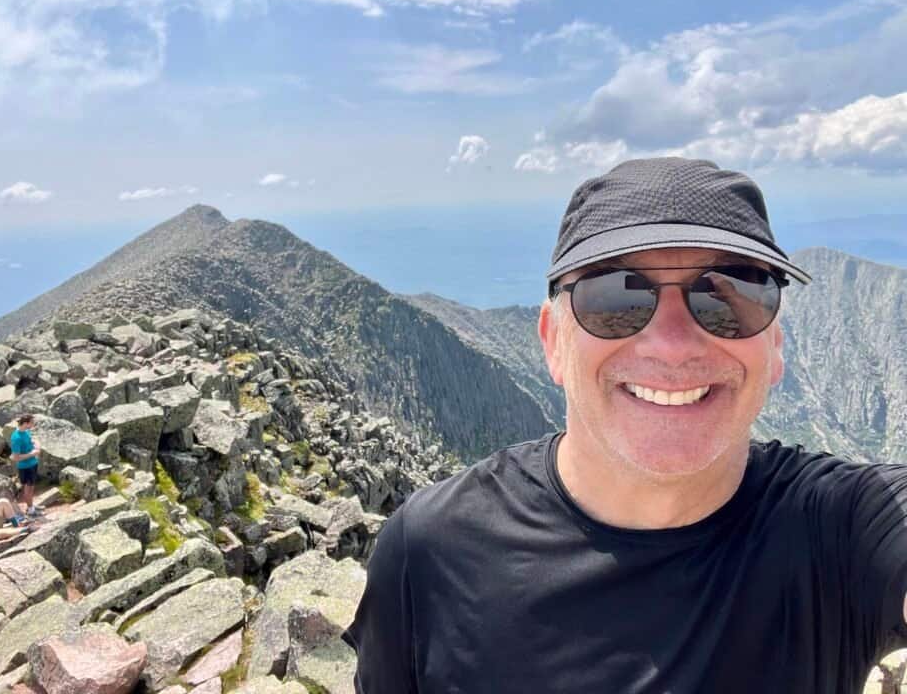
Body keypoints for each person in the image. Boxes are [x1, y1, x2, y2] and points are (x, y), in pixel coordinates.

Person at [343, 157, 907, 693]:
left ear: (776, 343)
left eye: (726, 296)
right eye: (616, 296)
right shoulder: (430, 552)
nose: (672, 342)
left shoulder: (843, 530)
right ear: (553, 342)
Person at [9, 413, 43, 517]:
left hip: (32, 464)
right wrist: (33, 453)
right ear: (26, 423)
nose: (33, 424)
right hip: (25, 467)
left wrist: (36, 443)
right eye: (32, 423)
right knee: (27, 489)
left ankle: (31, 506)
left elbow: (30, 440)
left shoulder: (26, 431)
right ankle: (31, 510)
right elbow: (16, 457)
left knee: (31, 487)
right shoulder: (16, 438)